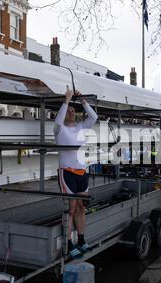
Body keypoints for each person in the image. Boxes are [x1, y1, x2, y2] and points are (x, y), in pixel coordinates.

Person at [55, 86, 98, 259]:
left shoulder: (81, 127)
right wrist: (66, 100)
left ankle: (81, 240)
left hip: (81, 172)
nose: (71, 112)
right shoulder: (59, 129)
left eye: (74, 110)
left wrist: (82, 100)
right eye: (69, 110)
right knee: (70, 208)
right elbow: (58, 120)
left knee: (81, 207)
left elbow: (94, 117)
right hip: (67, 172)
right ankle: (69, 242)